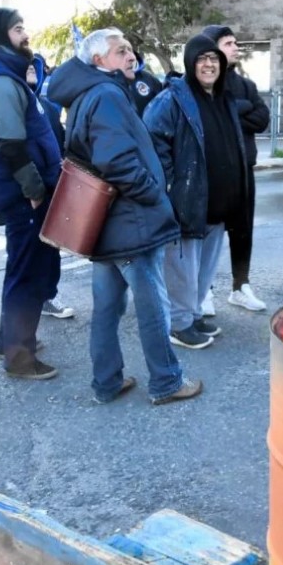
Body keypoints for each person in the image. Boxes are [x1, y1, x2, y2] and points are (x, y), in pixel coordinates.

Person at [46, 29, 203, 405]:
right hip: (129, 224)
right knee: (152, 307)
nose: (131, 56)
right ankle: (166, 382)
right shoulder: (106, 94)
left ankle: (107, 382)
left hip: (109, 225)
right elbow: (114, 160)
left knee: (108, 308)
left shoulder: (91, 93)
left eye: (130, 50)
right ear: (99, 61)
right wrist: (154, 193)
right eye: (121, 51)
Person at [0, 6, 68, 380]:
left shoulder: (2, 74)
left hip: (26, 193)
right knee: (26, 274)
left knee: (23, 269)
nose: (26, 35)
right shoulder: (0, 81)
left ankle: (10, 340)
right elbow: (10, 145)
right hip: (25, 196)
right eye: (18, 29)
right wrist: (35, 190)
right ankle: (19, 356)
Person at [144, 34, 248, 350]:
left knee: (204, 269)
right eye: (202, 59)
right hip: (188, 201)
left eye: (213, 59)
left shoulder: (223, 98)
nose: (208, 65)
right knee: (181, 269)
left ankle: (193, 313)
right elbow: (152, 143)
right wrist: (172, 186)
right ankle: (179, 324)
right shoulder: (172, 100)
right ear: (190, 63)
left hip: (218, 204)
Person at [202, 24, 270, 313]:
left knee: (242, 231)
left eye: (235, 43)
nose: (235, 48)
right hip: (212, 172)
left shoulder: (246, 84)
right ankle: (203, 289)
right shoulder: (202, 84)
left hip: (244, 170)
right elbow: (209, 118)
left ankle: (240, 286)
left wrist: (231, 110)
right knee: (207, 233)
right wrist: (239, 110)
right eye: (229, 43)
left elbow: (262, 118)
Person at [126, 44, 164, 117]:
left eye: (129, 50)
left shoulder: (147, 77)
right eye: (121, 52)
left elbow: (163, 103)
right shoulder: (106, 82)